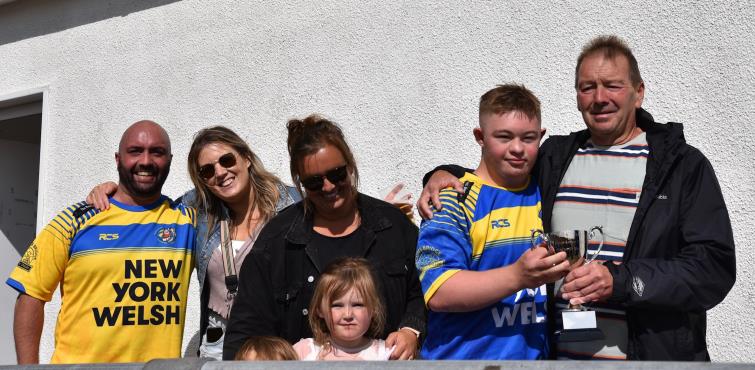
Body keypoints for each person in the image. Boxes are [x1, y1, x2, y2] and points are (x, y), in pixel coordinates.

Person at [418, 35, 736, 361]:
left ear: (638, 93)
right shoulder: (555, 157)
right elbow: (499, 172)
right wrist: (441, 175)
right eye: (587, 87)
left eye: (612, 85)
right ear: (577, 96)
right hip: (562, 360)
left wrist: (621, 282)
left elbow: (713, 269)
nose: (599, 98)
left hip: (651, 360)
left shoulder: (681, 166)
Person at [86, 126, 301, 360]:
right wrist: (115, 191)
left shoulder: (292, 204)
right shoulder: (199, 211)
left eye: (227, 160)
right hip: (220, 344)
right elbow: (148, 208)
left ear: (246, 158)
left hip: (281, 342)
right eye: (207, 171)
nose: (220, 172)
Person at [223, 114, 425, 360]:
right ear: (300, 182)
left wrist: (411, 329)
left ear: (350, 165)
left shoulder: (393, 227)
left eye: (337, 174)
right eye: (315, 182)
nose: (328, 187)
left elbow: (425, 290)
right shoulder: (278, 240)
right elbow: (245, 332)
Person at [6, 120, 196, 363]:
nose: (146, 161)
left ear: (170, 160)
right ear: (118, 159)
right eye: (135, 151)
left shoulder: (186, 220)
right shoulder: (74, 220)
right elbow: (30, 294)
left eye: (157, 152)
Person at [417, 85, 570, 360]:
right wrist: (517, 277)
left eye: (528, 138)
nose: (517, 149)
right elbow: (439, 290)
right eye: (504, 137)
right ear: (480, 136)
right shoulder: (453, 199)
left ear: (541, 137)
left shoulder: (546, 192)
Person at [293, 257, 394, 361]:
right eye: (337, 305)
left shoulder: (387, 354)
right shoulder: (304, 352)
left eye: (357, 305)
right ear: (319, 310)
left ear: (373, 308)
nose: (348, 315)